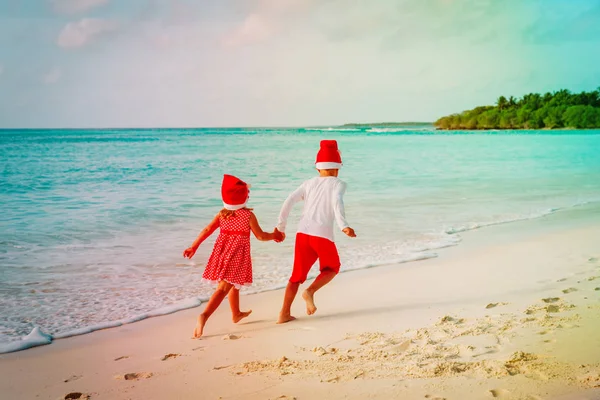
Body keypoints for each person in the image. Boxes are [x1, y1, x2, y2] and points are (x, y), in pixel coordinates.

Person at [183, 174, 282, 338]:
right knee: (223, 288)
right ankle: (204, 316)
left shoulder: (222, 214)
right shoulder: (247, 216)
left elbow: (207, 230)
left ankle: (236, 314)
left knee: (232, 283)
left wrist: (194, 246)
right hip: (236, 255)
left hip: (221, 253)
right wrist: (275, 235)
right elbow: (261, 236)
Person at [275, 140, 356, 324]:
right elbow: (337, 202)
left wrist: (280, 227)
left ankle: (283, 314)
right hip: (322, 235)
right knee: (332, 267)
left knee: (295, 277)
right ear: (337, 168)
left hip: (302, 234)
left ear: (318, 168)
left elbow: (289, 200)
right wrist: (343, 225)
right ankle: (310, 291)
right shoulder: (339, 184)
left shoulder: (308, 183)